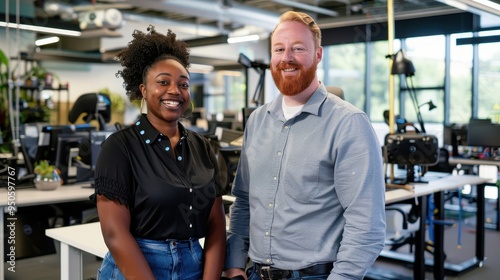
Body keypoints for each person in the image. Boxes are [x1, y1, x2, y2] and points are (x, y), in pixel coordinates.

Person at [223, 11, 386, 280]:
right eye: (279, 49)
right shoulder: (257, 121)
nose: (286, 57)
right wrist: (234, 263)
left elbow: (366, 224)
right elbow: (244, 201)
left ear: (318, 55)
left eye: (298, 48)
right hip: (254, 273)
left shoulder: (348, 123)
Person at [90, 25, 226, 280]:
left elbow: (216, 225)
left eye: (183, 84)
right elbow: (115, 234)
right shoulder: (120, 147)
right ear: (142, 90)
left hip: (194, 263)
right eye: (163, 82)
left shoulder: (203, 147)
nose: (174, 90)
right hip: (138, 266)